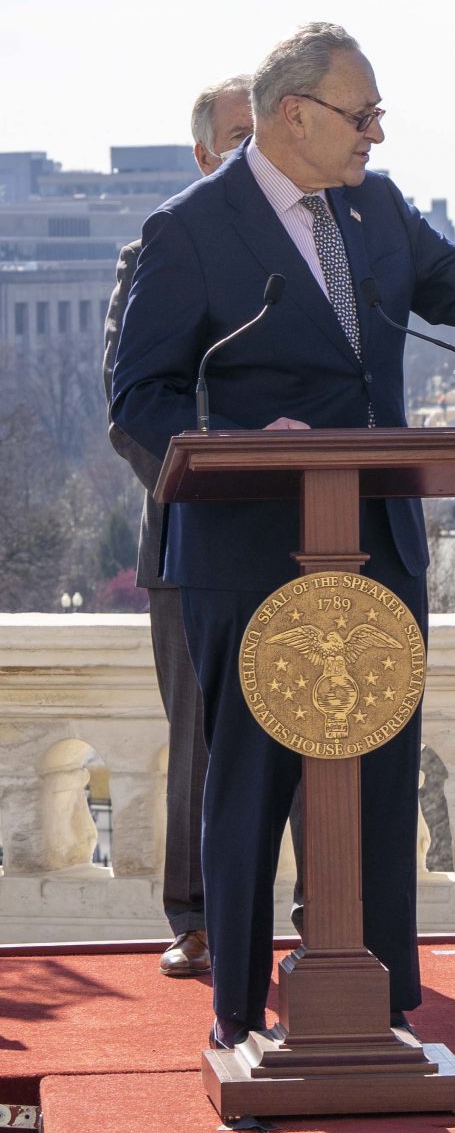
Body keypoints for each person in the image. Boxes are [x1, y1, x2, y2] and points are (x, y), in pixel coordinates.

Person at [110, 23, 455, 1050]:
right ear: (296, 117)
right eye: (361, 113)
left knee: (380, 781)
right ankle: (239, 1011)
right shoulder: (189, 229)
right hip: (247, 552)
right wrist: (238, 440)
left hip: (372, 539)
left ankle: (381, 1003)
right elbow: (138, 401)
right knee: (250, 787)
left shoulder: (376, 207)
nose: (378, 131)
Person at [100, 75, 253, 978]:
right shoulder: (157, 249)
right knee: (200, 741)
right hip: (190, 537)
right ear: (202, 154)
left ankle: (325, 918)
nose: (248, 151)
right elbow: (131, 410)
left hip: (307, 533)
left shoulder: (319, 251)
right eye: (235, 136)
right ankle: (194, 919)